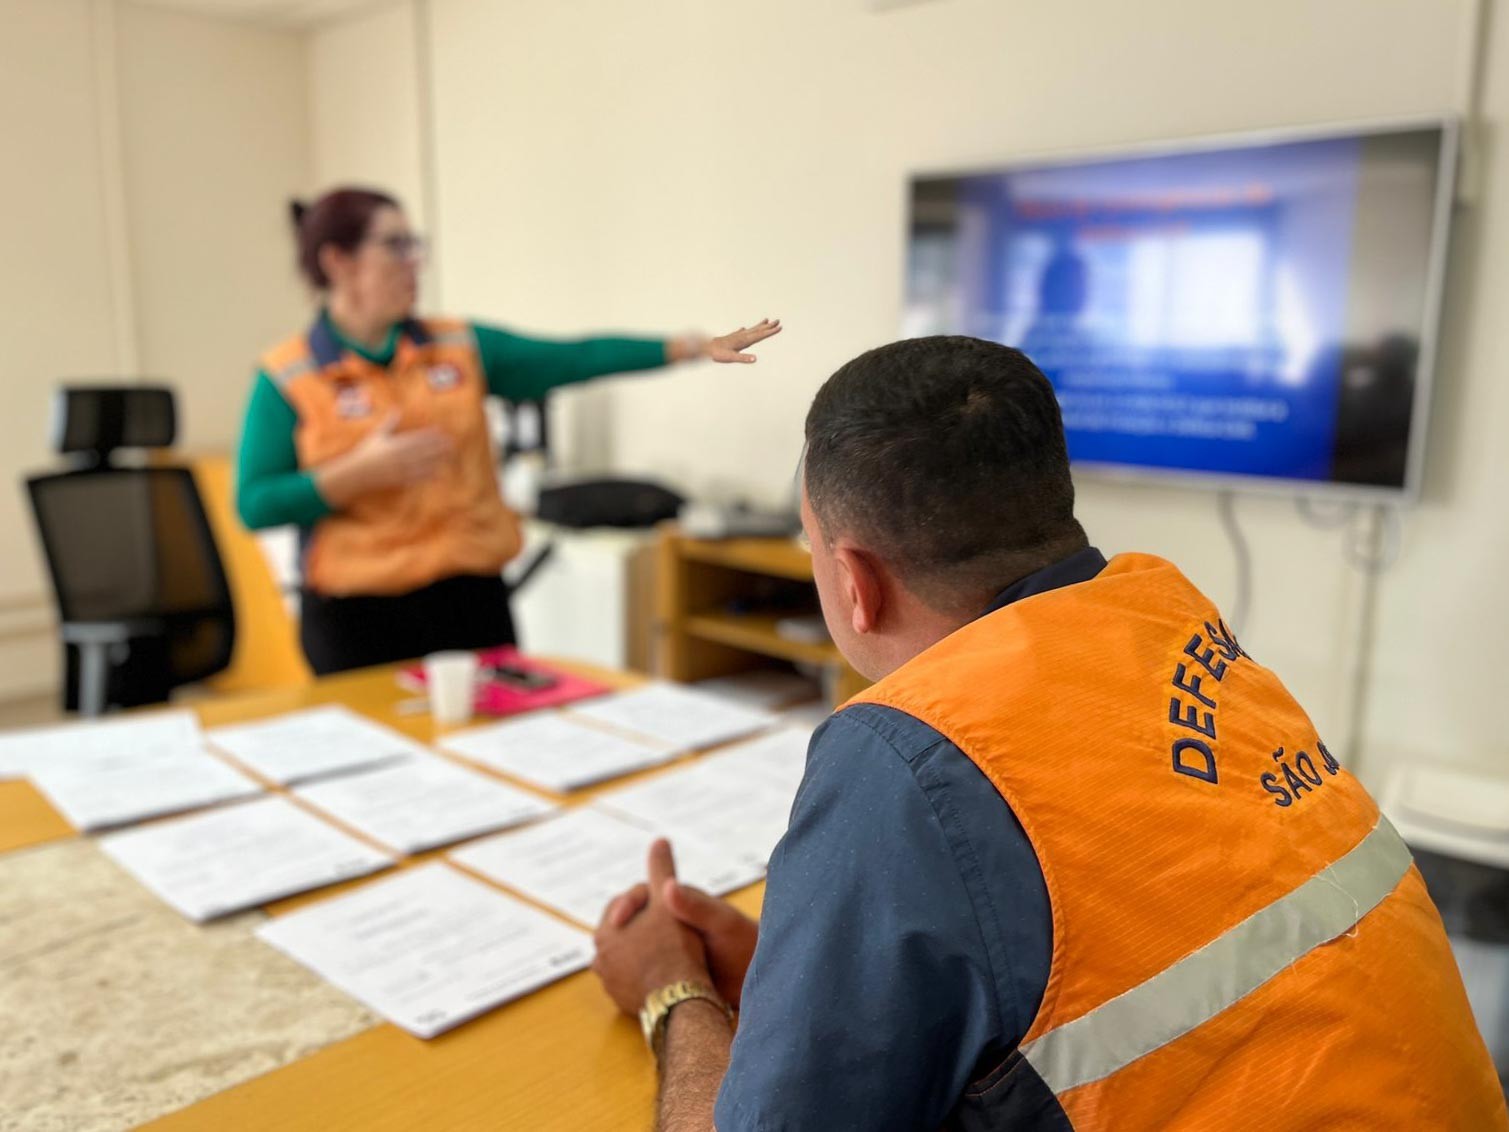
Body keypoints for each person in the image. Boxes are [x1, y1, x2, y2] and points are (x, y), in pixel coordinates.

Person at [590, 336, 1507, 1130]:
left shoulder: (911, 748)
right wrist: (814, 995)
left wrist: (673, 991)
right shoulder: (1167, 618)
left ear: (853, 580)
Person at [237, 186, 780, 674]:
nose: (415, 262)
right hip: (358, 620)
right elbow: (255, 504)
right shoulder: (290, 374)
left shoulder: (457, 346)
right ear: (338, 262)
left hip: (469, 606)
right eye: (396, 246)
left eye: (415, 244)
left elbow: (574, 357)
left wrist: (688, 347)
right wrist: (353, 476)